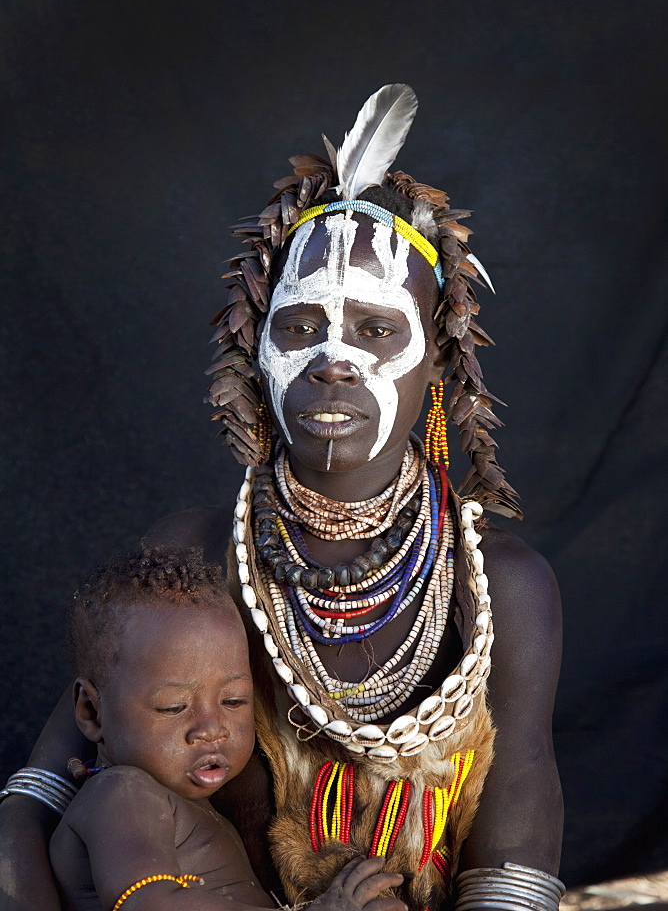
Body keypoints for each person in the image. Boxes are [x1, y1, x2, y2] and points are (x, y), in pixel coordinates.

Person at [0, 85, 564, 911]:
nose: (334, 360)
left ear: (437, 362)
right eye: (300, 327)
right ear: (254, 350)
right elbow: (41, 795)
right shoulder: (198, 555)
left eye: (375, 330)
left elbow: (516, 841)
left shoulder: (500, 588)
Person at [49, 545, 406, 911]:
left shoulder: (181, 804)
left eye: (233, 701)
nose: (211, 728)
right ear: (92, 712)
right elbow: (147, 903)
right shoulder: (121, 794)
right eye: (173, 706)